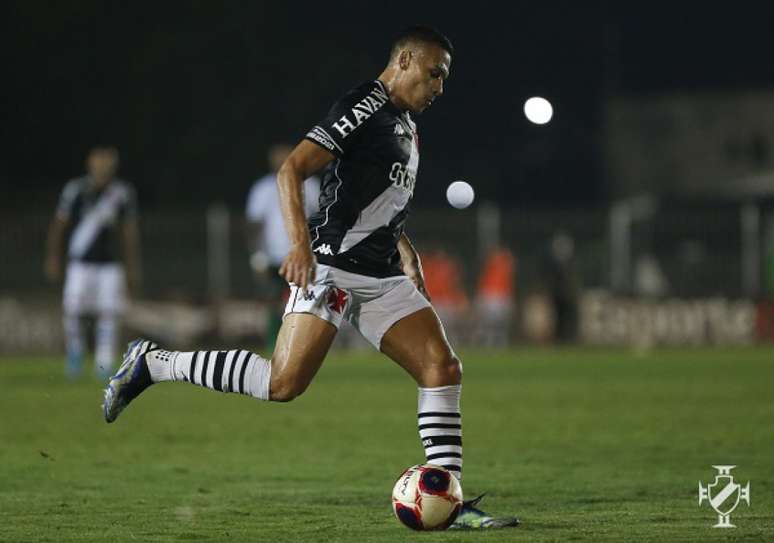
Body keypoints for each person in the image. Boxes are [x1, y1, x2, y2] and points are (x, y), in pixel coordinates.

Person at [103, 26, 518, 529]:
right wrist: (301, 245)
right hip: (334, 265)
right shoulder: (367, 103)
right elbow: (292, 170)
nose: (439, 88)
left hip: (382, 273)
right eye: (435, 74)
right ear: (405, 60)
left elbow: (376, 200)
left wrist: (406, 251)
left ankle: (449, 502)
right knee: (283, 384)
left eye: (444, 79)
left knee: (442, 368)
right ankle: (154, 363)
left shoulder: (407, 124)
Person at [45, 145, 140, 378]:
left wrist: (133, 267)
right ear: (91, 165)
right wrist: (53, 257)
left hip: (110, 265)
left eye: (107, 166)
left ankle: (104, 362)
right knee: (72, 309)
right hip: (80, 264)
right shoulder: (76, 190)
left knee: (108, 313)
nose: (103, 170)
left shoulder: (122, 193)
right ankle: (75, 355)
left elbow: (128, 233)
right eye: (99, 165)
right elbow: (60, 225)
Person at [246, 143, 319, 349]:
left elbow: (320, 218)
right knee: (272, 301)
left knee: (308, 299)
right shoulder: (263, 188)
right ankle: (274, 343)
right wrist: (257, 253)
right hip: (274, 255)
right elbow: (255, 225)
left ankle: (305, 344)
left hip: (304, 254)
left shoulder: (310, 185)